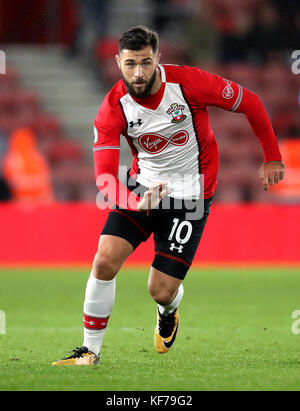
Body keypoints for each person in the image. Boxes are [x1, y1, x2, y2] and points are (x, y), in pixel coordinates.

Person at [52, 25, 285, 366]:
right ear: (118, 62)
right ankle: (90, 351)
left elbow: (250, 101)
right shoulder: (113, 107)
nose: (139, 72)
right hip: (142, 187)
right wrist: (134, 200)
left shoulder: (189, 83)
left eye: (146, 62)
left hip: (191, 195)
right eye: (130, 64)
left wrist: (272, 156)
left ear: (158, 58)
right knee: (104, 259)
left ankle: (169, 309)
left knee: (159, 290)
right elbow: (104, 176)